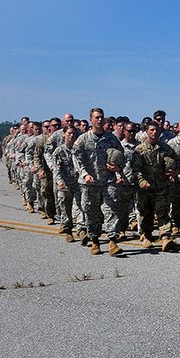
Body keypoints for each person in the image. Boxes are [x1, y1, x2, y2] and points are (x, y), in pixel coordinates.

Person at [73, 107, 124, 256]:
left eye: (101, 117)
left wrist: (117, 167)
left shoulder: (111, 138)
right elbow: (77, 159)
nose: (99, 120)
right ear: (91, 120)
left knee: (111, 209)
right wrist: (84, 175)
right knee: (91, 211)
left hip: (108, 180)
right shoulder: (82, 139)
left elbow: (122, 156)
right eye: (96, 117)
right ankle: (94, 240)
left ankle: (112, 241)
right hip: (90, 182)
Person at [132, 122, 180, 251]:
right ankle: (146, 235)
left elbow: (177, 162)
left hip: (162, 186)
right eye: (152, 130)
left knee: (163, 211)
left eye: (157, 130)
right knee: (145, 212)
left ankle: (165, 237)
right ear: (147, 131)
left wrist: (174, 172)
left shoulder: (166, 148)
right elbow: (136, 169)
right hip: (145, 188)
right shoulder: (139, 149)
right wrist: (141, 181)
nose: (154, 132)